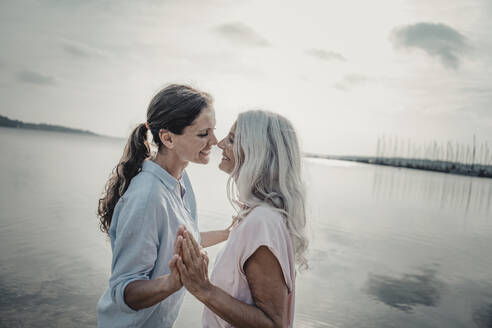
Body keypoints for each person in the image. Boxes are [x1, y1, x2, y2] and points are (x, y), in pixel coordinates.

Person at [96, 84, 229, 328]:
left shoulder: (180, 180)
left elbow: (182, 239)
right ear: (167, 138)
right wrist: (173, 282)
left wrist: (228, 233)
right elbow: (124, 290)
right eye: (203, 133)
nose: (215, 141)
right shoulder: (147, 197)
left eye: (213, 130)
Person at [175, 110, 309, 328]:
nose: (219, 144)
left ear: (258, 151)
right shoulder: (256, 216)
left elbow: (273, 324)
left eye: (232, 139)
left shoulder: (262, 221)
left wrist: (203, 288)